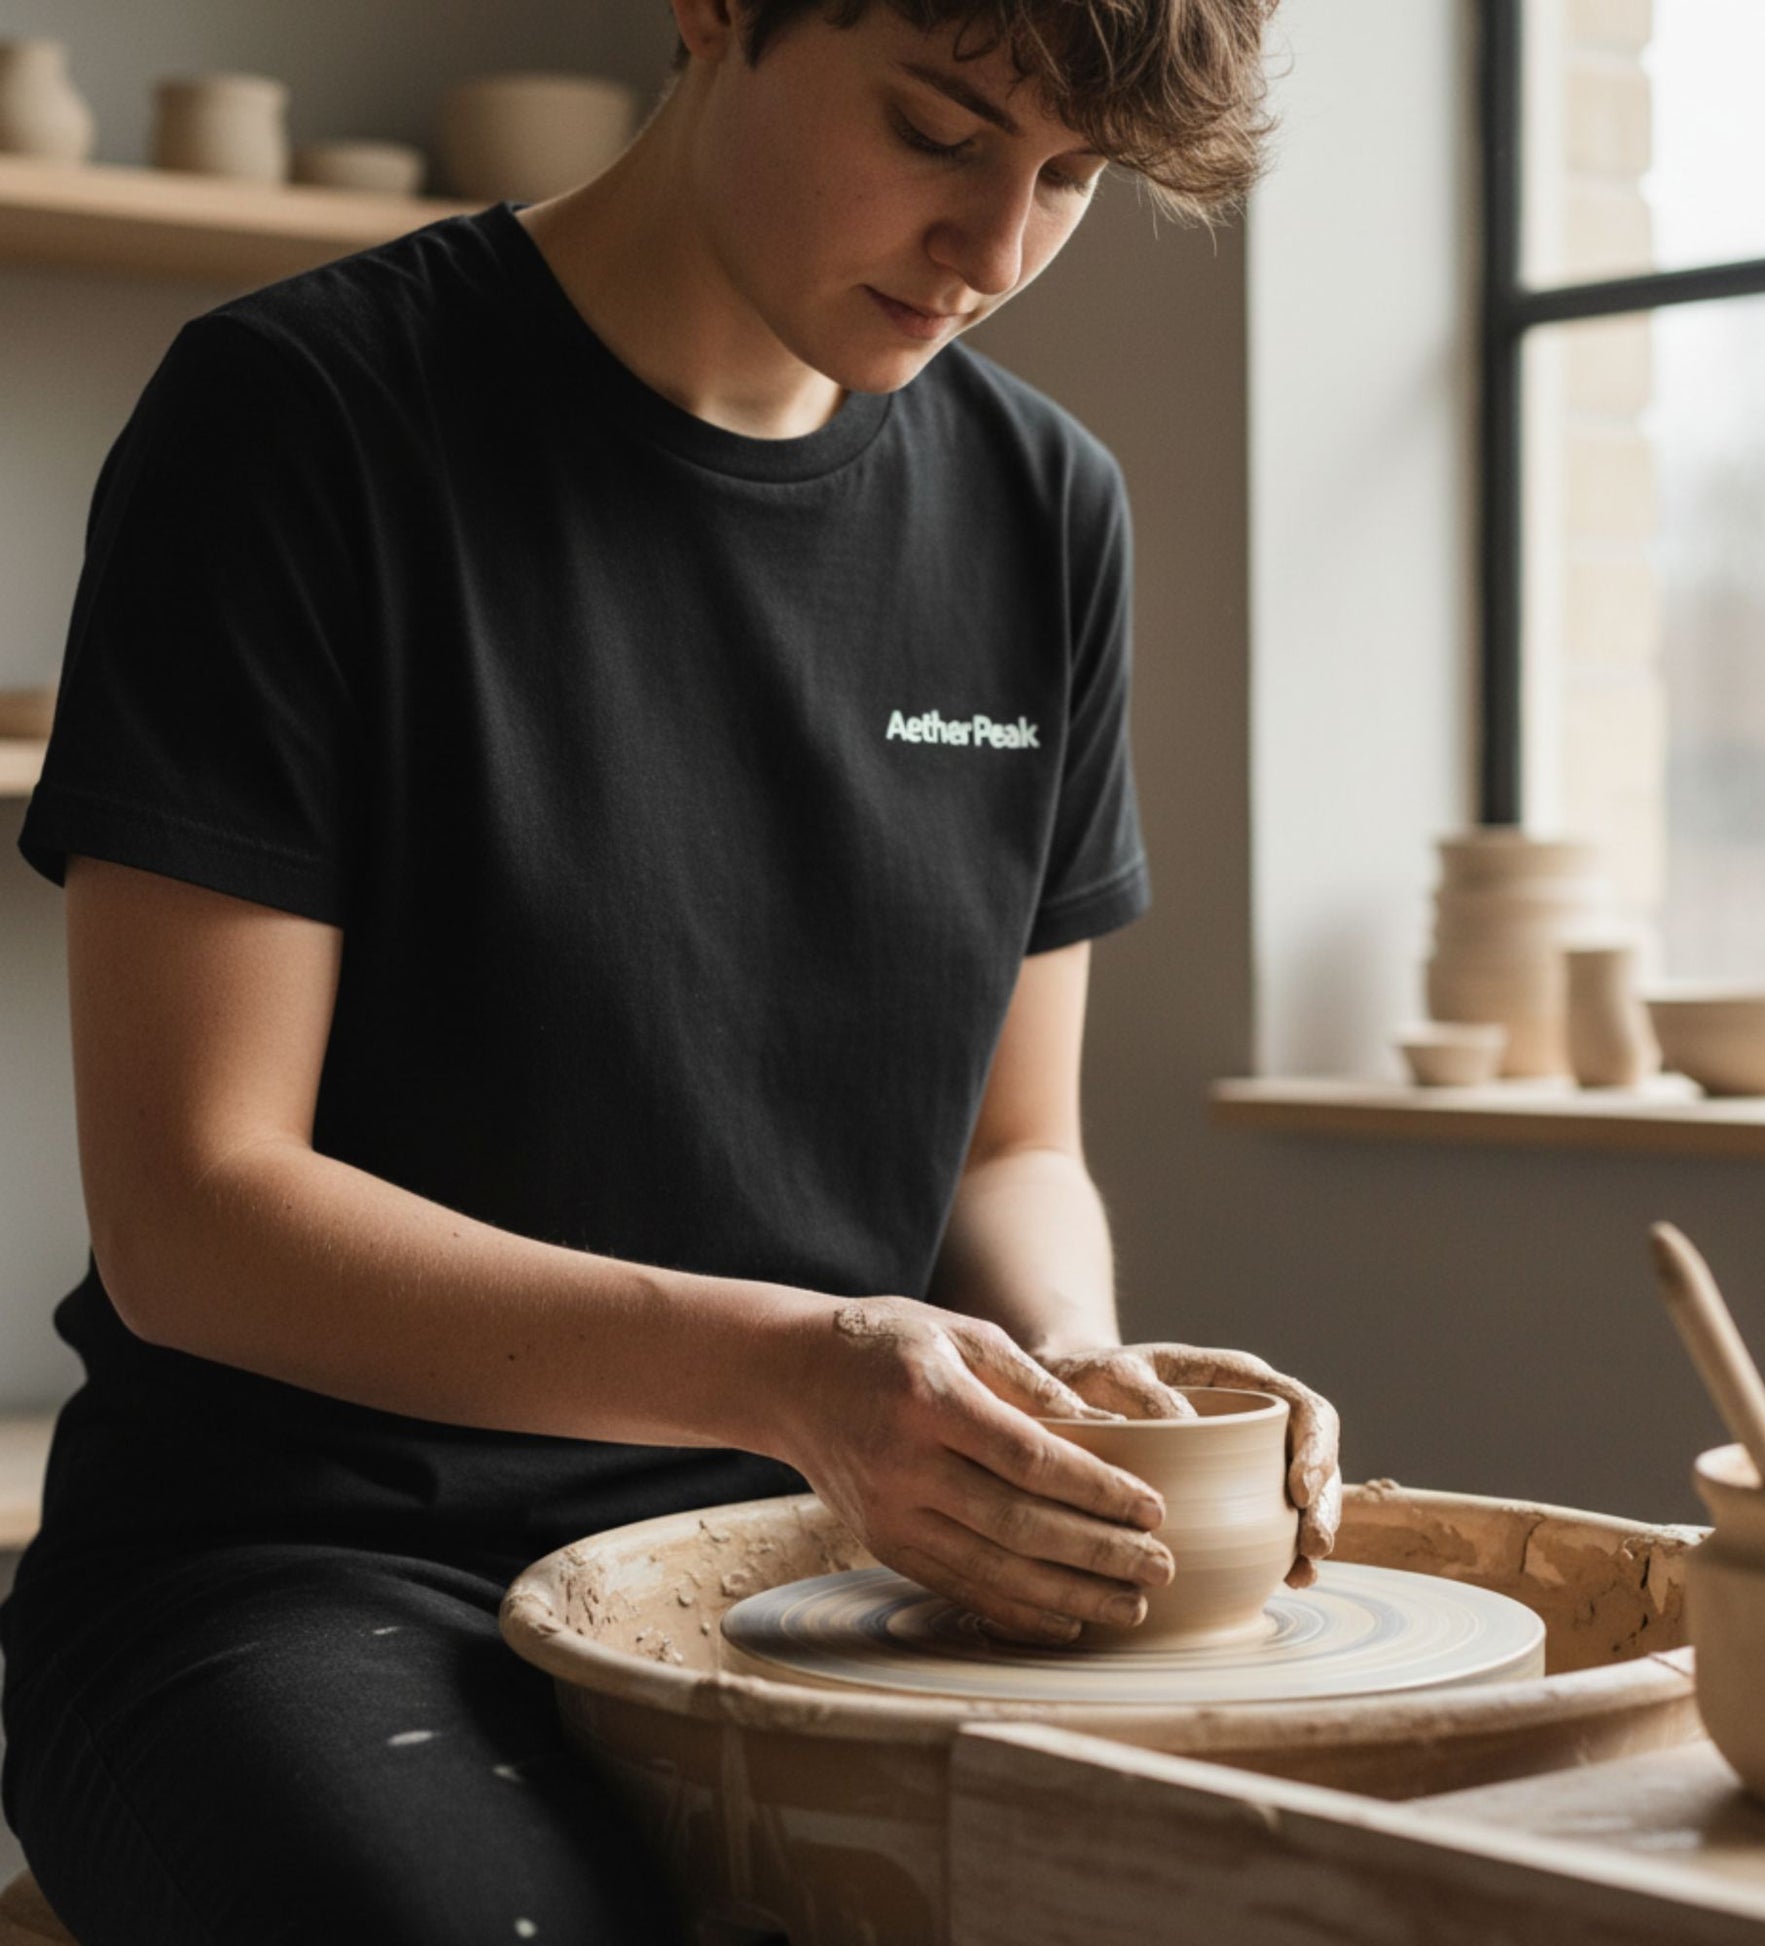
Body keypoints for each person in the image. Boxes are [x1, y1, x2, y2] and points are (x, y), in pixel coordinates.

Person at [0, 0, 1341, 1934]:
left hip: (818, 1563)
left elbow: (1004, 1152)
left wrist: (1061, 1379)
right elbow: (195, 1212)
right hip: (310, 1568)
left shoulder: (1047, 512)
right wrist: (797, 1369)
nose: (996, 252)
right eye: (940, 130)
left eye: (1070, 179)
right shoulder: (302, 416)